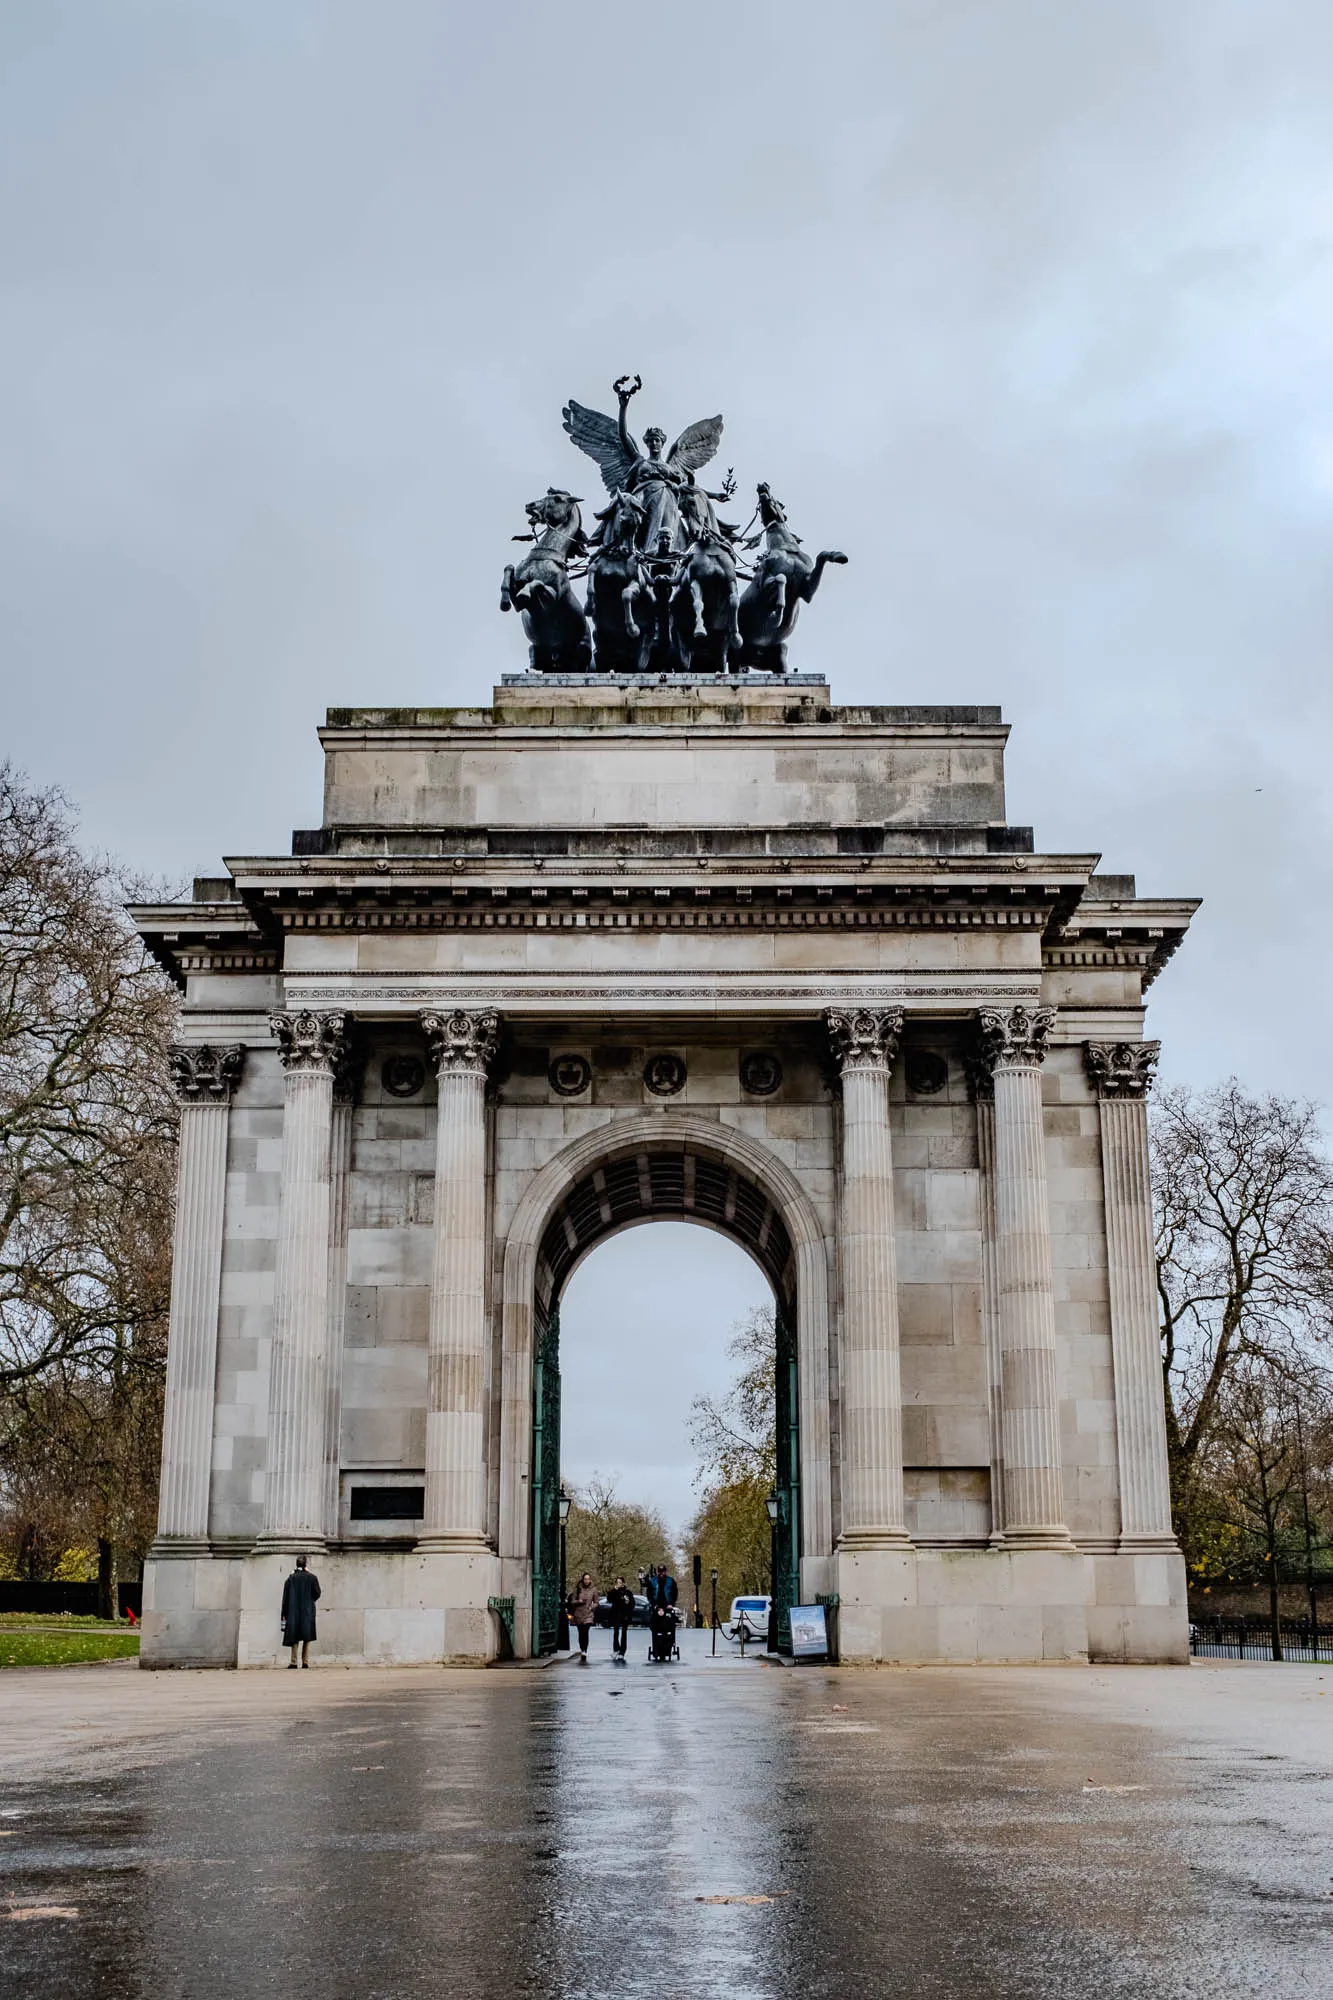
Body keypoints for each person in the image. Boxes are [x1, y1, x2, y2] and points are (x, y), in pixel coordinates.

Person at [280, 1554, 321, 1669]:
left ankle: (293, 1661)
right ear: (306, 1565)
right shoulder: (312, 1577)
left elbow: (285, 1597)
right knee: (307, 1636)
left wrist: (284, 1613)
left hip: (293, 1610)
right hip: (307, 1610)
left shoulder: (290, 1579)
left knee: (294, 1636)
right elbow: (317, 1593)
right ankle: (305, 1661)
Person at [567, 1572, 598, 1666]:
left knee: (586, 1631)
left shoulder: (594, 1589)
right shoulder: (578, 1589)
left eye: (588, 1579)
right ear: (583, 1579)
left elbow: (597, 1602)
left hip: (588, 1614)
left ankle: (585, 1650)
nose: (587, 1581)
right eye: (585, 1579)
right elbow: (572, 1601)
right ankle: (582, 1649)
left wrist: (592, 1606)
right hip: (578, 1614)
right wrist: (578, 1601)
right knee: (581, 1633)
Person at [607, 1575, 636, 1664]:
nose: (618, 1584)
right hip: (616, 1614)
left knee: (624, 1633)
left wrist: (628, 1607)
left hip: (624, 1615)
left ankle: (622, 1652)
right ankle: (616, 1649)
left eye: (620, 1582)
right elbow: (609, 1598)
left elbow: (632, 1603)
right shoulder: (614, 1592)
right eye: (617, 1582)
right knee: (616, 1632)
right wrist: (614, 1590)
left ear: (623, 1583)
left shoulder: (628, 1593)